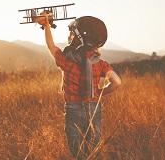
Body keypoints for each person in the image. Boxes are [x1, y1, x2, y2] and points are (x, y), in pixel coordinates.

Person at [35, 12, 121, 159]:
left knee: (76, 149)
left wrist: (47, 26)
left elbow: (51, 46)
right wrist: (100, 92)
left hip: (73, 107)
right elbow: (117, 82)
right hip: (93, 107)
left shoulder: (66, 60)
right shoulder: (100, 64)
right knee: (93, 148)